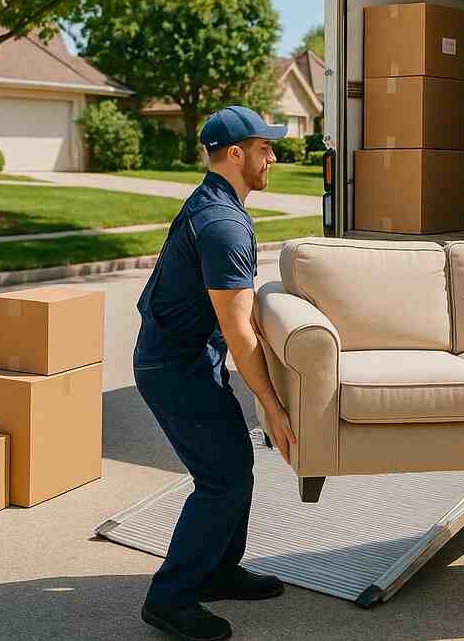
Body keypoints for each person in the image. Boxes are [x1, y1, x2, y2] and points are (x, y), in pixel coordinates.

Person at [135, 105, 298, 641]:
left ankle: (219, 571)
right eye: (264, 147)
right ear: (236, 154)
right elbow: (239, 330)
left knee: (234, 466)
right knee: (222, 478)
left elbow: (238, 318)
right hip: (172, 365)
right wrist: (273, 405)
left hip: (186, 356)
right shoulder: (224, 223)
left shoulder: (218, 204)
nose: (272, 155)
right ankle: (171, 598)